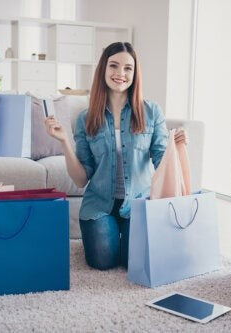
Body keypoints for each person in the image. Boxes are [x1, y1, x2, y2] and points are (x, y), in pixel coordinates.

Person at [45, 42, 188, 270]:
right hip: (99, 204)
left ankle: (124, 238)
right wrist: (64, 142)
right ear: (103, 69)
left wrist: (177, 147)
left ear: (135, 73)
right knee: (103, 261)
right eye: (114, 66)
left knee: (134, 262)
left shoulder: (151, 112)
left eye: (127, 68)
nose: (120, 73)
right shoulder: (86, 118)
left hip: (138, 204)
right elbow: (81, 179)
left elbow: (162, 161)